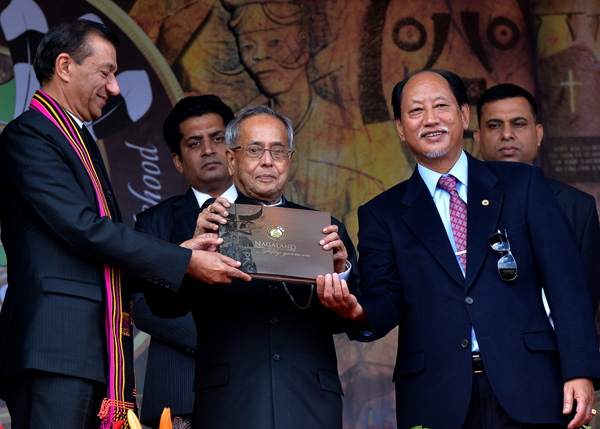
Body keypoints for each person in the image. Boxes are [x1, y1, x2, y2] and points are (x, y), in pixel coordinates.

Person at [0, 19, 249, 429]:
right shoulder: (29, 136)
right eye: (106, 72)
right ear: (65, 66)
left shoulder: (75, 140)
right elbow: (83, 229)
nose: (114, 87)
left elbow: (96, 250)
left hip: (90, 352)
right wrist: (180, 261)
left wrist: (181, 254)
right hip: (55, 350)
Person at [316, 69, 600, 429]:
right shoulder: (381, 213)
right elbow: (385, 297)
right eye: (416, 111)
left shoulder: (523, 185)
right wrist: (357, 311)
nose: (430, 119)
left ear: (464, 115)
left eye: (441, 106)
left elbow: (567, 285)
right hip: (437, 395)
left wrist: (580, 371)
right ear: (401, 128)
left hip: (531, 385)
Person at [142, 104, 359, 428]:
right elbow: (162, 305)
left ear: (290, 159)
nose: (267, 161)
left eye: (278, 150)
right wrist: (188, 258)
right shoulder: (203, 226)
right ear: (232, 159)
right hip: (230, 401)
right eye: (255, 149)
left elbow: (353, 317)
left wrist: (341, 275)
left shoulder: (325, 229)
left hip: (311, 400)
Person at [133, 95, 237, 428]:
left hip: (261, 389)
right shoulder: (154, 222)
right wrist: (237, 339)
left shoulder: (274, 215)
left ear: (234, 147)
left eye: (217, 138)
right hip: (183, 395)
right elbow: (143, 305)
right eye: (195, 143)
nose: (209, 150)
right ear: (178, 161)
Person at [473, 83, 600, 314]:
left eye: (518, 124)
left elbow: (583, 305)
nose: (507, 134)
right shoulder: (458, 202)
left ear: (538, 133)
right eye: (495, 125)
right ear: (478, 138)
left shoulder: (578, 207)